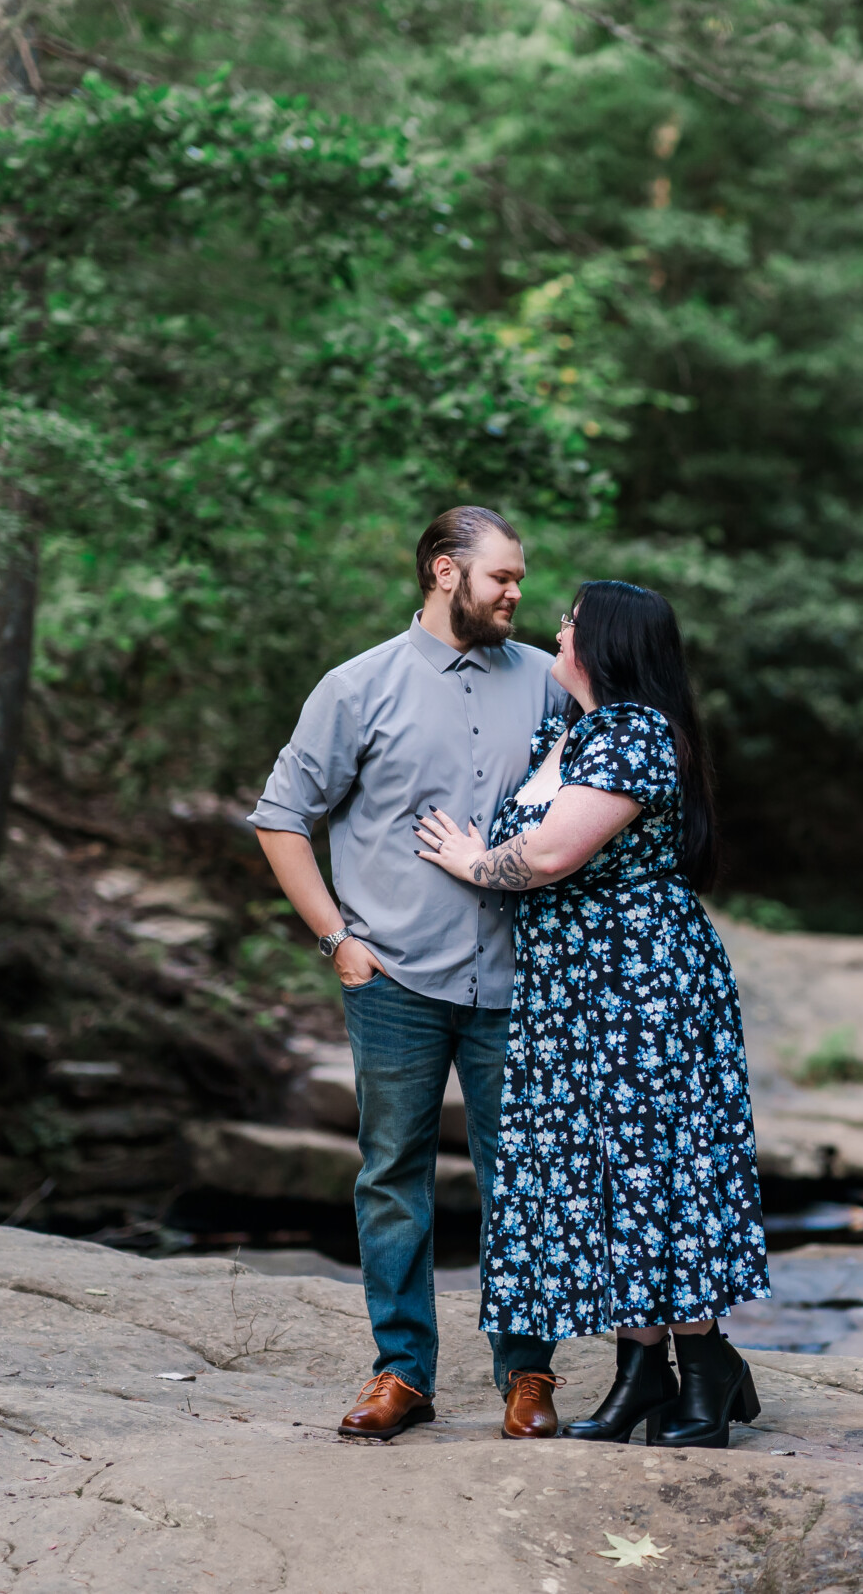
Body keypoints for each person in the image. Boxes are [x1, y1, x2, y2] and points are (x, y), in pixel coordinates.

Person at [415, 579, 771, 1449]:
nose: (558, 628)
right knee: (610, 1172)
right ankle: (643, 1368)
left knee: (656, 1164)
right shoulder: (569, 732)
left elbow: (546, 854)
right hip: (579, 987)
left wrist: (473, 859)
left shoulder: (636, 733)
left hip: (640, 983)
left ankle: (705, 1364)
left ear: (605, 643)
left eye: (572, 620)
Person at [248, 505, 574, 1443]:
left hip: (521, 983)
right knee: (394, 1173)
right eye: (501, 577)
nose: (518, 592)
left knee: (527, 1175)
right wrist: (336, 938)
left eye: (519, 577)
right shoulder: (356, 687)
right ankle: (402, 1372)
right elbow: (282, 816)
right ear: (443, 572)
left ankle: (529, 1372)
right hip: (394, 980)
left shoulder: (550, 686)